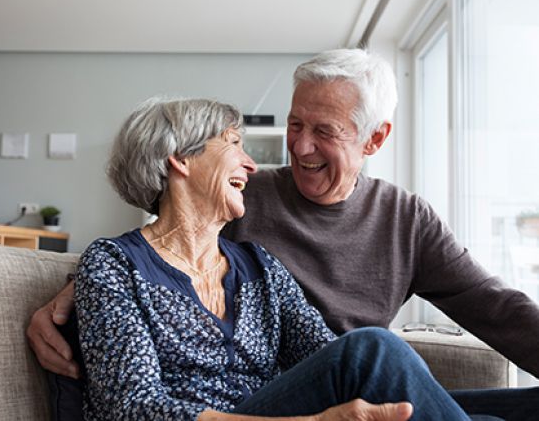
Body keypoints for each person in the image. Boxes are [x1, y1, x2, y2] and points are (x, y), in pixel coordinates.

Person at [27, 50, 539, 419]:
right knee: (374, 350)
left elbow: (493, 307)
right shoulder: (234, 205)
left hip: (337, 388)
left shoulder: (393, 223)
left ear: (374, 139)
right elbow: (154, 255)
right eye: (295, 124)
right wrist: (77, 293)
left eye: (324, 131)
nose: (297, 147)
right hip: (283, 404)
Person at [71, 96, 478, 420]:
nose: (250, 164)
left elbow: (328, 358)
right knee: (372, 349)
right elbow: (132, 407)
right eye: (234, 144)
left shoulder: (258, 265)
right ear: (181, 159)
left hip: (269, 407)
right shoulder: (115, 264)